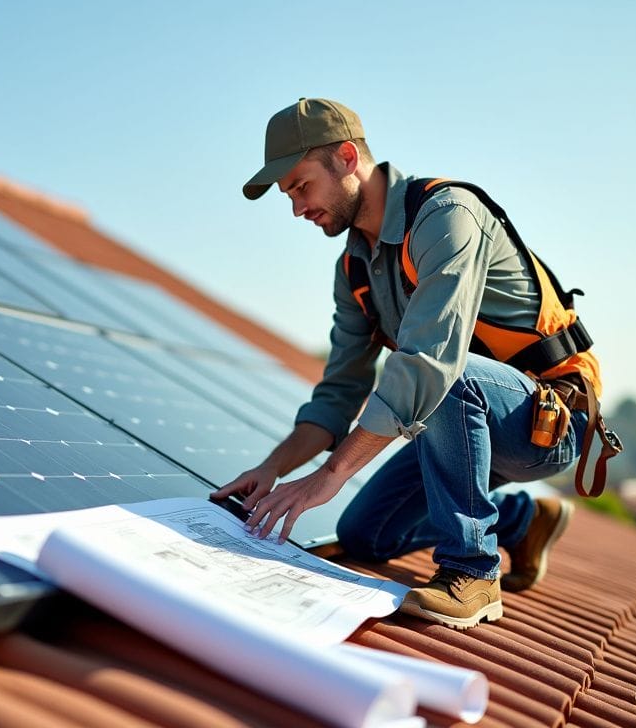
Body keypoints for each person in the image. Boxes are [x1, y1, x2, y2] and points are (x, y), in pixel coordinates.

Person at [213, 98, 607, 629]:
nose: (297, 209)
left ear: (347, 159)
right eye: (288, 196)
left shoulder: (447, 218)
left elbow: (430, 363)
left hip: (547, 423)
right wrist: (273, 468)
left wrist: (330, 474)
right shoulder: (353, 266)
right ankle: (524, 520)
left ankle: (472, 572)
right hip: (463, 429)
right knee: (365, 537)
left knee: (449, 374)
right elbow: (338, 393)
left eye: (301, 186)